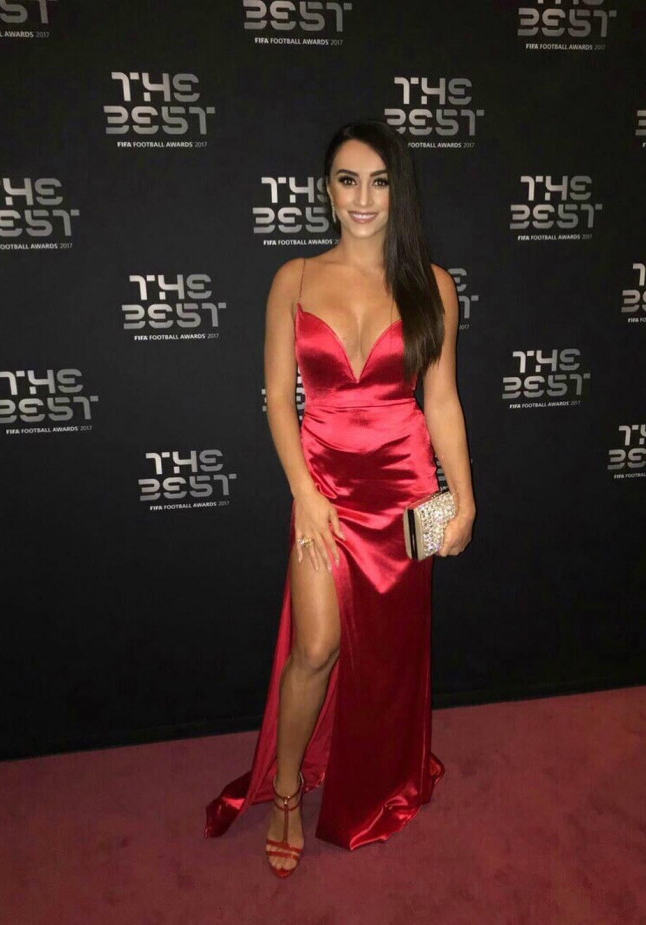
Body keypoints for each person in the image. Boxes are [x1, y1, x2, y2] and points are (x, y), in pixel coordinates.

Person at [205, 120, 475, 877]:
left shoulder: (433, 285)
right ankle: (288, 788)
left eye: (379, 181)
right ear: (327, 190)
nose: (363, 197)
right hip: (322, 490)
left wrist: (462, 498)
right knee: (316, 646)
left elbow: (441, 400)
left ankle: (384, 774)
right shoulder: (293, 279)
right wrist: (305, 492)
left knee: (390, 653)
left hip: (407, 496)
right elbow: (278, 399)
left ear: (398, 192)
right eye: (348, 180)